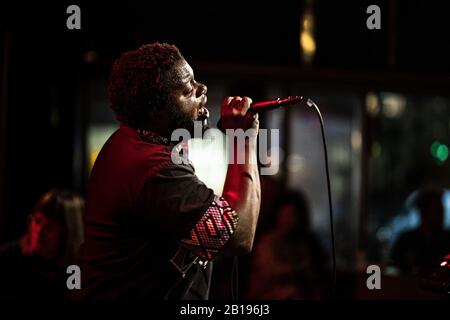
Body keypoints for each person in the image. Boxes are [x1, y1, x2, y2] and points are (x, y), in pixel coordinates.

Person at [75, 43, 261, 299]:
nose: (202, 89)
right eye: (188, 88)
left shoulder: (133, 143)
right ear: (156, 109)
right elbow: (239, 237)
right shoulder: (154, 171)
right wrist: (243, 140)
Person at [0, 189, 84, 300]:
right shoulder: (8, 259)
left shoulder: (79, 272)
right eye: (37, 220)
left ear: (70, 233)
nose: (38, 231)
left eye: (49, 226)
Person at [247, 190, 327, 299]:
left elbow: (312, 273)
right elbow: (271, 271)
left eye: (292, 216)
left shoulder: (301, 243)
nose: (289, 221)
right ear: (277, 216)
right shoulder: (268, 242)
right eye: (285, 215)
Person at [390, 187, 450, 275]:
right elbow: (394, 267)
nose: (442, 214)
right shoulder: (407, 239)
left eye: (441, 209)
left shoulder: (447, 239)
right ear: (423, 212)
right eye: (437, 210)